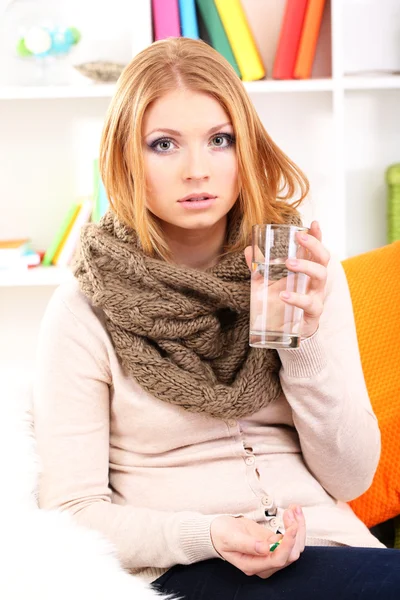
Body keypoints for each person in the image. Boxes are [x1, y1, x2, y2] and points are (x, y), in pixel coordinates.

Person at [33, 38, 400, 599]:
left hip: (332, 548)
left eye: (219, 139)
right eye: (164, 144)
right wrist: (205, 534)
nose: (196, 170)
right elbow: (71, 511)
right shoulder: (83, 311)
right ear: (125, 158)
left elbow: (351, 478)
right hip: (182, 567)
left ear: (245, 148)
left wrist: (301, 341)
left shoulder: (298, 272)